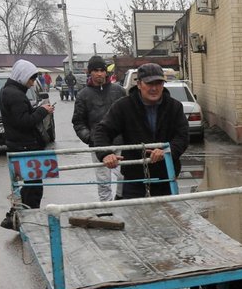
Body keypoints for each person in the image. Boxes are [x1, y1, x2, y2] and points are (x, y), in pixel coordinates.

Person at [92, 63, 189, 199]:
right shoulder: (124, 106)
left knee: (168, 217)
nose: (154, 88)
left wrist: (167, 151)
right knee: (133, 216)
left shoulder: (174, 107)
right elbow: (103, 130)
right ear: (139, 84)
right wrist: (105, 154)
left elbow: (182, 136)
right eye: (149, 84)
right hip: (134, 178)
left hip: (165, 176)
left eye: (158, 83)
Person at [0, 59, 55, 229]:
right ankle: (28, 220)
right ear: (23, 76)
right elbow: (23, 121)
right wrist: (42, 111)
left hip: (21, 144)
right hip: (25, 145)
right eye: (31, 79)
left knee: (30, 186)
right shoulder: (15, 95)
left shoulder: (10, 91)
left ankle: (16, 216)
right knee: (33, 187)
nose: (32, 84)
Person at [72, 55, 125, 201]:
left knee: (125, 177)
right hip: (98, 146)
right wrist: (91, 139)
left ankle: (121, 201)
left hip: (120, 142)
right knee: (103, 182)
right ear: (90, 72)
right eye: (96, 70)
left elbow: (128, 116)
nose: (100, 73)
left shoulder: (119, 91)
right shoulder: (83, 95)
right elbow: (78, 122)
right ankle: (106, 209)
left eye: (102, 70)